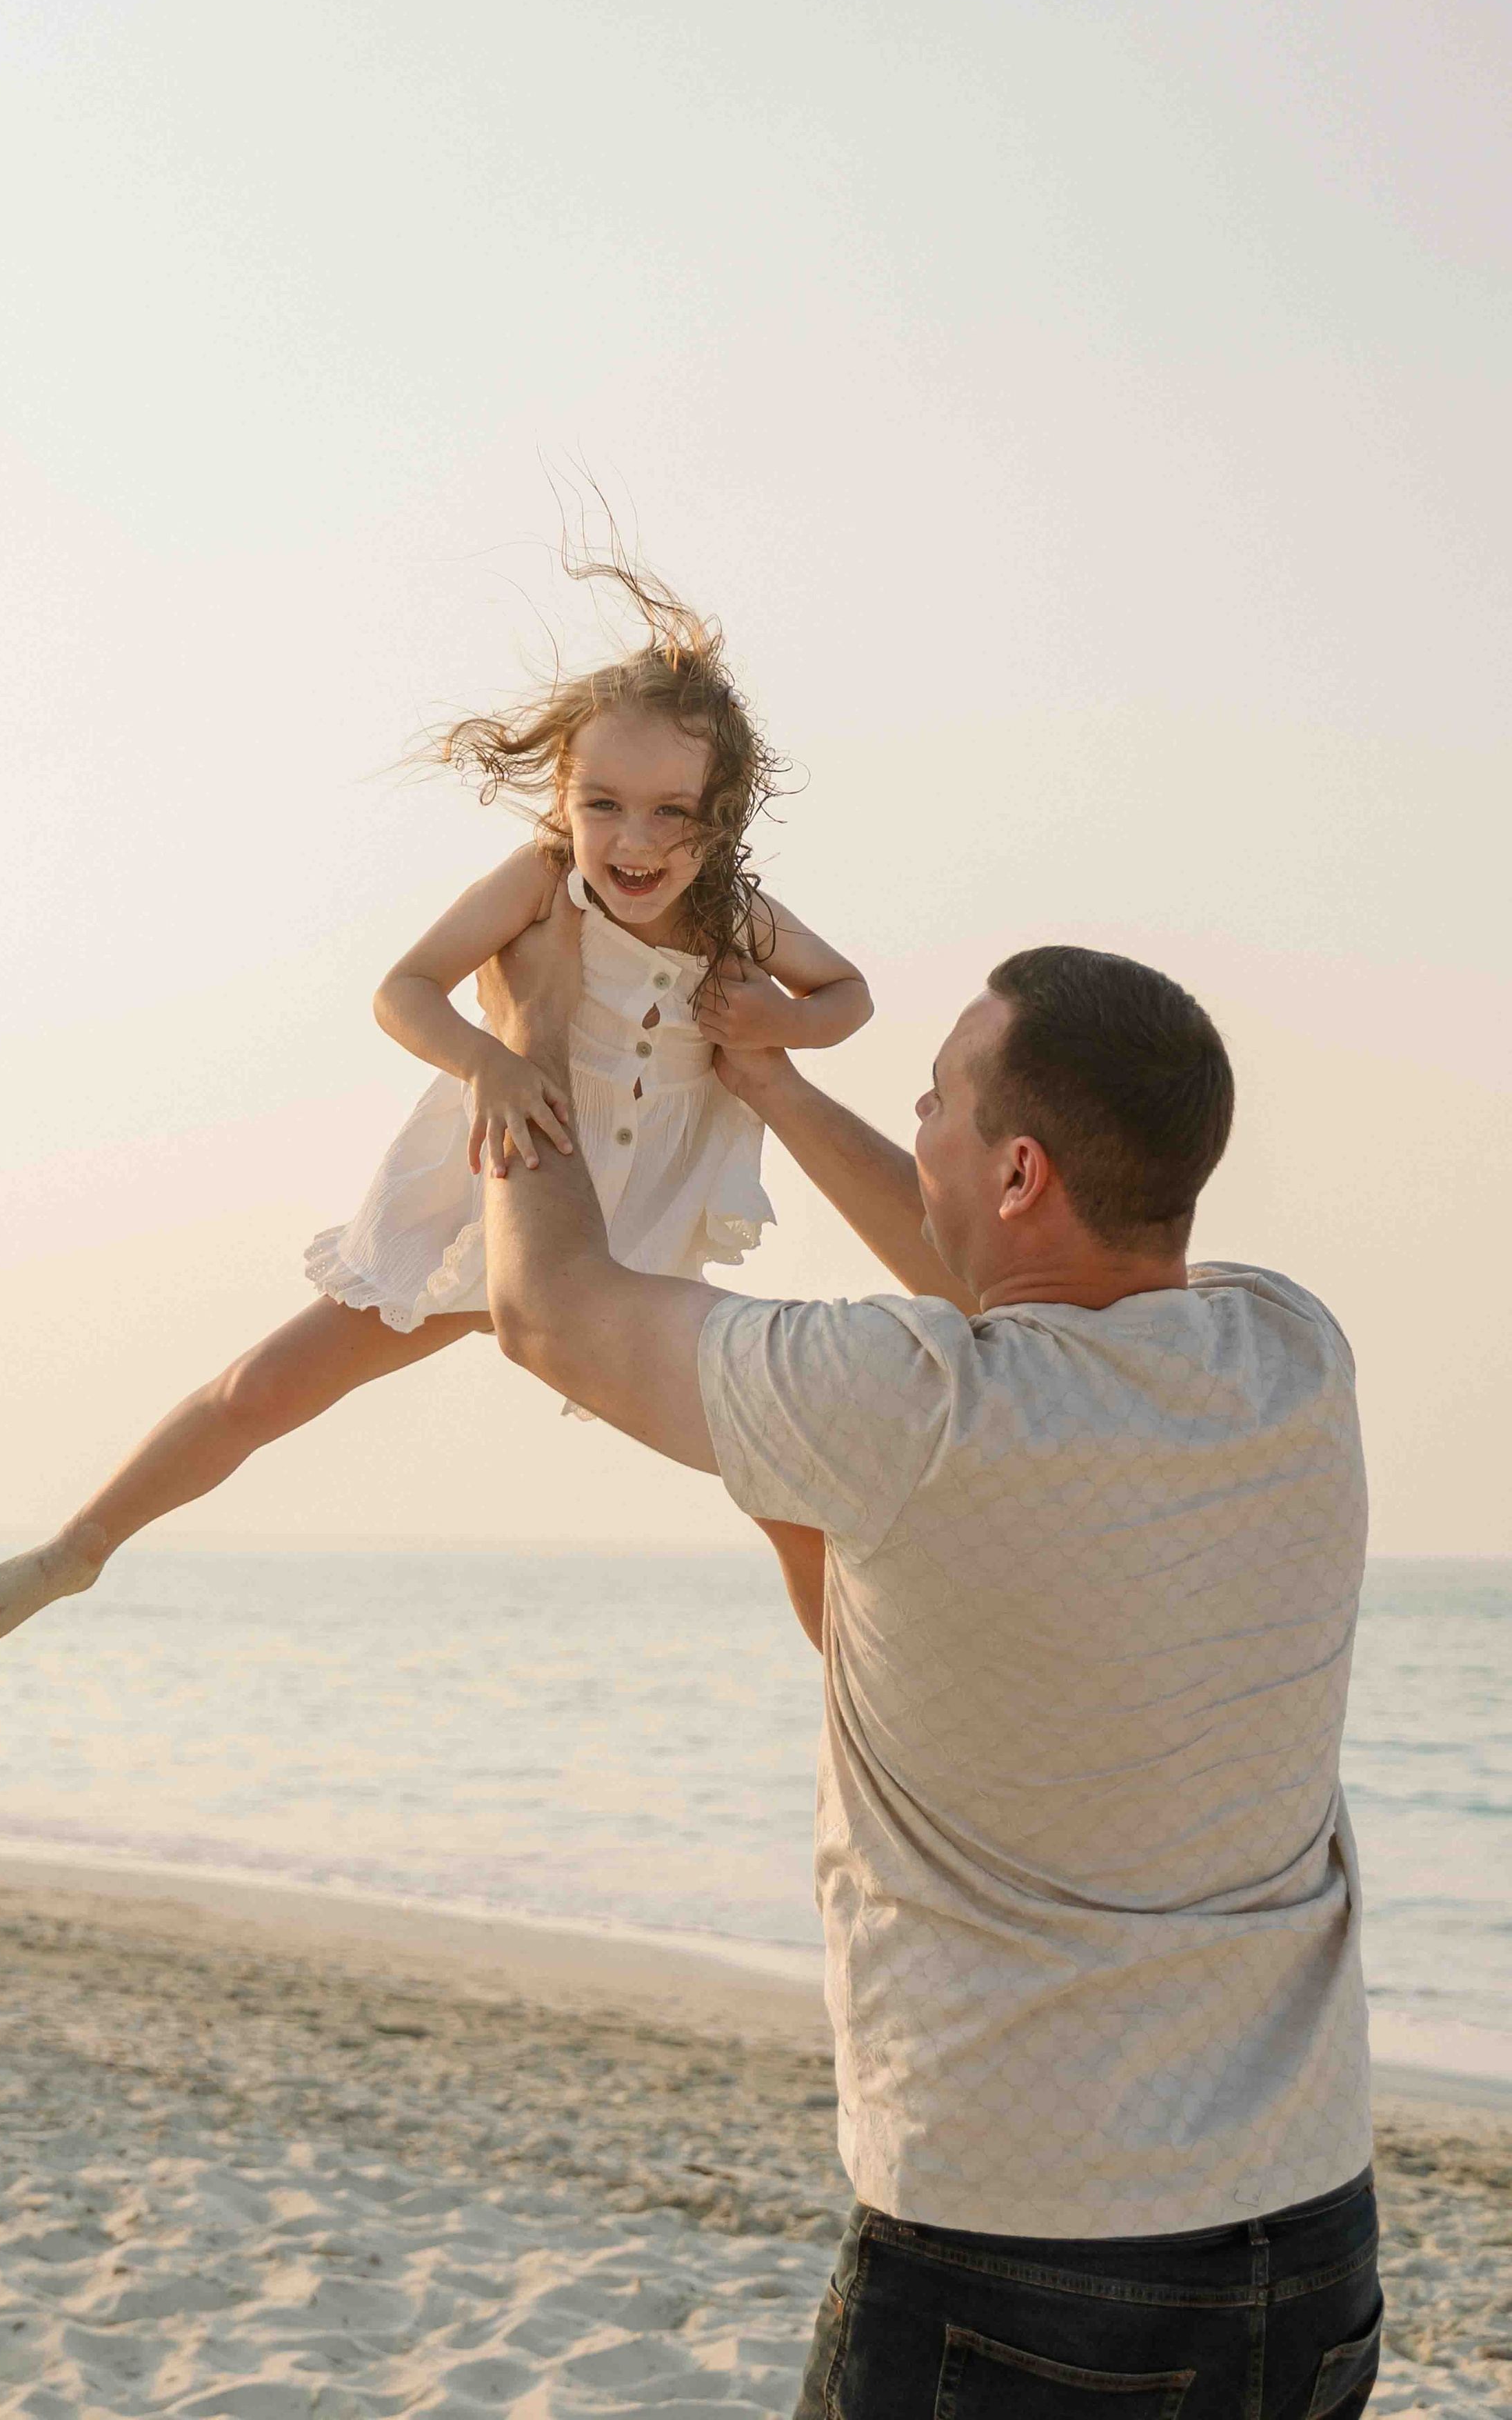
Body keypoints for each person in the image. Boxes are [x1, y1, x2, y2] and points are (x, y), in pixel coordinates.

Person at [474, 897, 1382, 2420]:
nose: (913, 1127)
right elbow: (1013, 1285)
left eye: (933, 1106)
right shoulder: (1292, 1354)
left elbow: (549, 1312)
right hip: (1304, 2236)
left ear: (1017, 1169)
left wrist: (524, 1035)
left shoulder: (910, 1411)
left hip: (1020, 2261)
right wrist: (768, 1087)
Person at [0, 548, 870, 1656]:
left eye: (673, 813)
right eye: (602, 804)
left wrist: (782, 1024)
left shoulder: (736, 918)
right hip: (494, 1188)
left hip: (635, 1237)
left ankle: (859, 1708)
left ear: (719, 823)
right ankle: (76, 1549)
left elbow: (848, 995)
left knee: (780, 1486)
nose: (632, 840)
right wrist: (490, 1062)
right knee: (266, 1386)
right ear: (563, 798)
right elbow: (402, 989)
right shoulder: (538, 880)